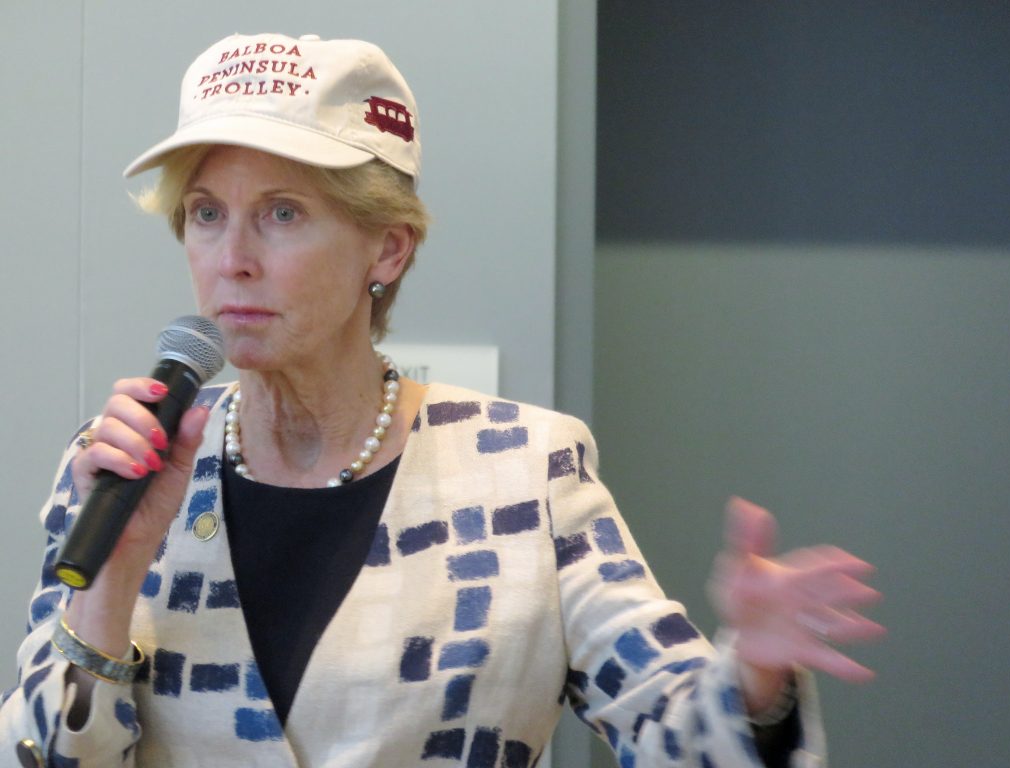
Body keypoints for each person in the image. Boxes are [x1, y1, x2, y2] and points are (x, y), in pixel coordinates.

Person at [0, 33, 883, 768]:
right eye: (203, 212)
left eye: (280, 214)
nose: (230, 257)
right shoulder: (123, 466)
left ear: (387, 250)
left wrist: (753, 683)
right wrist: (111, 583)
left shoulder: (523, 470)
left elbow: (672, 734)